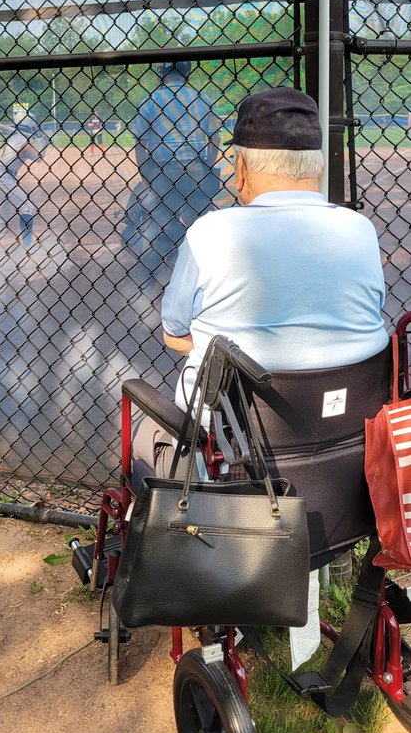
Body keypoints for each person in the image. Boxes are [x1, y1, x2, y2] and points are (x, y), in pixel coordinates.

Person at [133, 85, 388, 476]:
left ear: (241, 168)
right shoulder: (360, 231)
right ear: (318, 166)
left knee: (144, 432)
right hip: (345, 460)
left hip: (230, 464)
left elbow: (174, 334)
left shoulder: (210, 233)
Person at [121, 60, 221, 272]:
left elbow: (140, 144)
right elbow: (215, 139)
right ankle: (199, 263)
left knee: (162, 219)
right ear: (186, 72)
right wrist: (207, 167)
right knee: (200, 221)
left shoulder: (151, 100)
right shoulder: (201, 98)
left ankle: (172, 257)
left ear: (163, 73)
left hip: (164, 170)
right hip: (195, 168)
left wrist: (147, 175)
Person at [0, 130, 46, 248]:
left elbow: (38, 158)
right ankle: (28, 246)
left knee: (1, 219)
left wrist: (44, 143)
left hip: (2, 177)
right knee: (28, 207)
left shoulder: (24, 139)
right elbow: (27, 148)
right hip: (2, 176)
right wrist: (40, 139)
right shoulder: (18, 138)